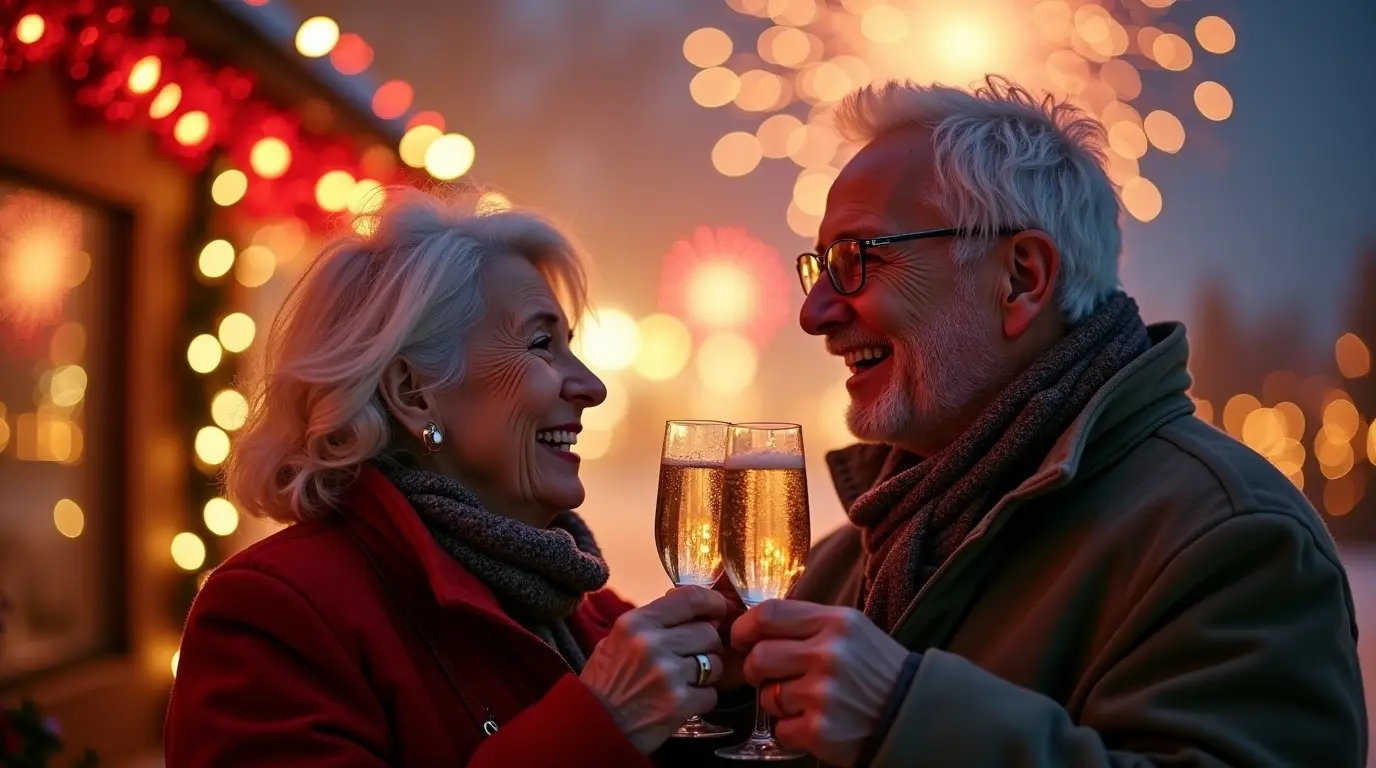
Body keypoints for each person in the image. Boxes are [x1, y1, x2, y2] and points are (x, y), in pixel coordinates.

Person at [727, 77, 1368, 766]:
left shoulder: (1232, 540)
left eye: (858, 259)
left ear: (1022, 278)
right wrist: (674, 699)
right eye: (820, 266)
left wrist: (908, 719)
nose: (814, 313)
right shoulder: (844, 562)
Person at [164, 186, 731, 766]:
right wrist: (600, 722)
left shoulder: (570, 601)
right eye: (541, 344)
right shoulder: (273, 613)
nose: (592, 386)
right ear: (413, 392)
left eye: (570, 346)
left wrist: (760, 662)